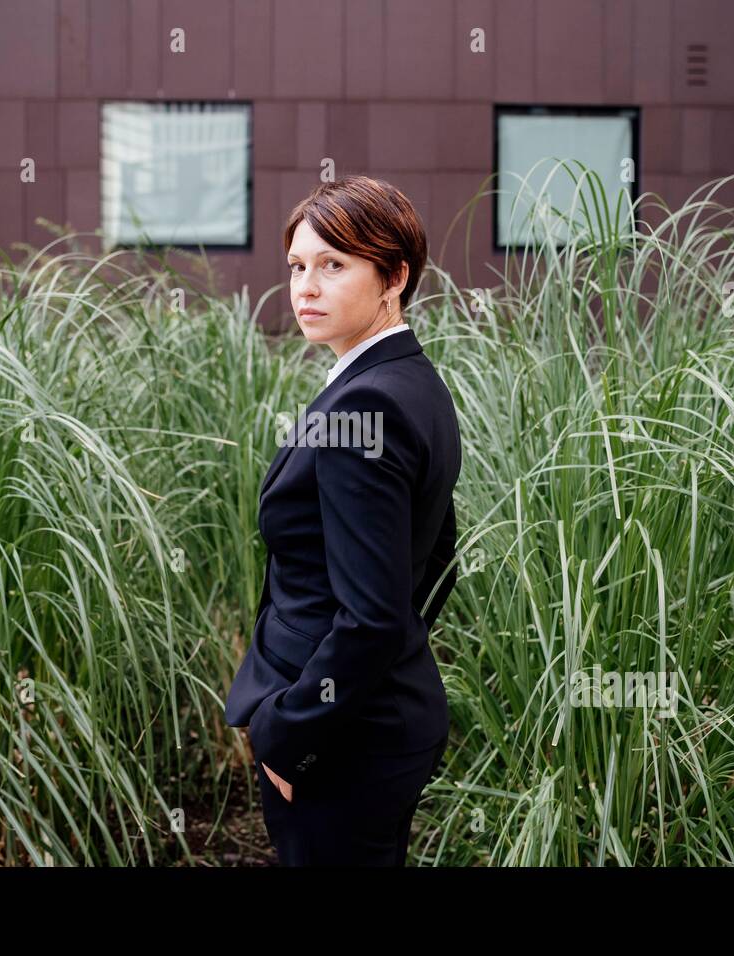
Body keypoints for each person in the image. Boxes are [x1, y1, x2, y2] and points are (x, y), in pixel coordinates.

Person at [223, 174, 462, 866]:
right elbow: (439, 554)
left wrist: (291, 739)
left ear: (394, 276)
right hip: (373, 723)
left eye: (334, 265)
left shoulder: (370, 408)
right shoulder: (412, 382)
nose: (306, 287)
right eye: (298, 266)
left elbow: (374, 617)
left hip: (340, 745)